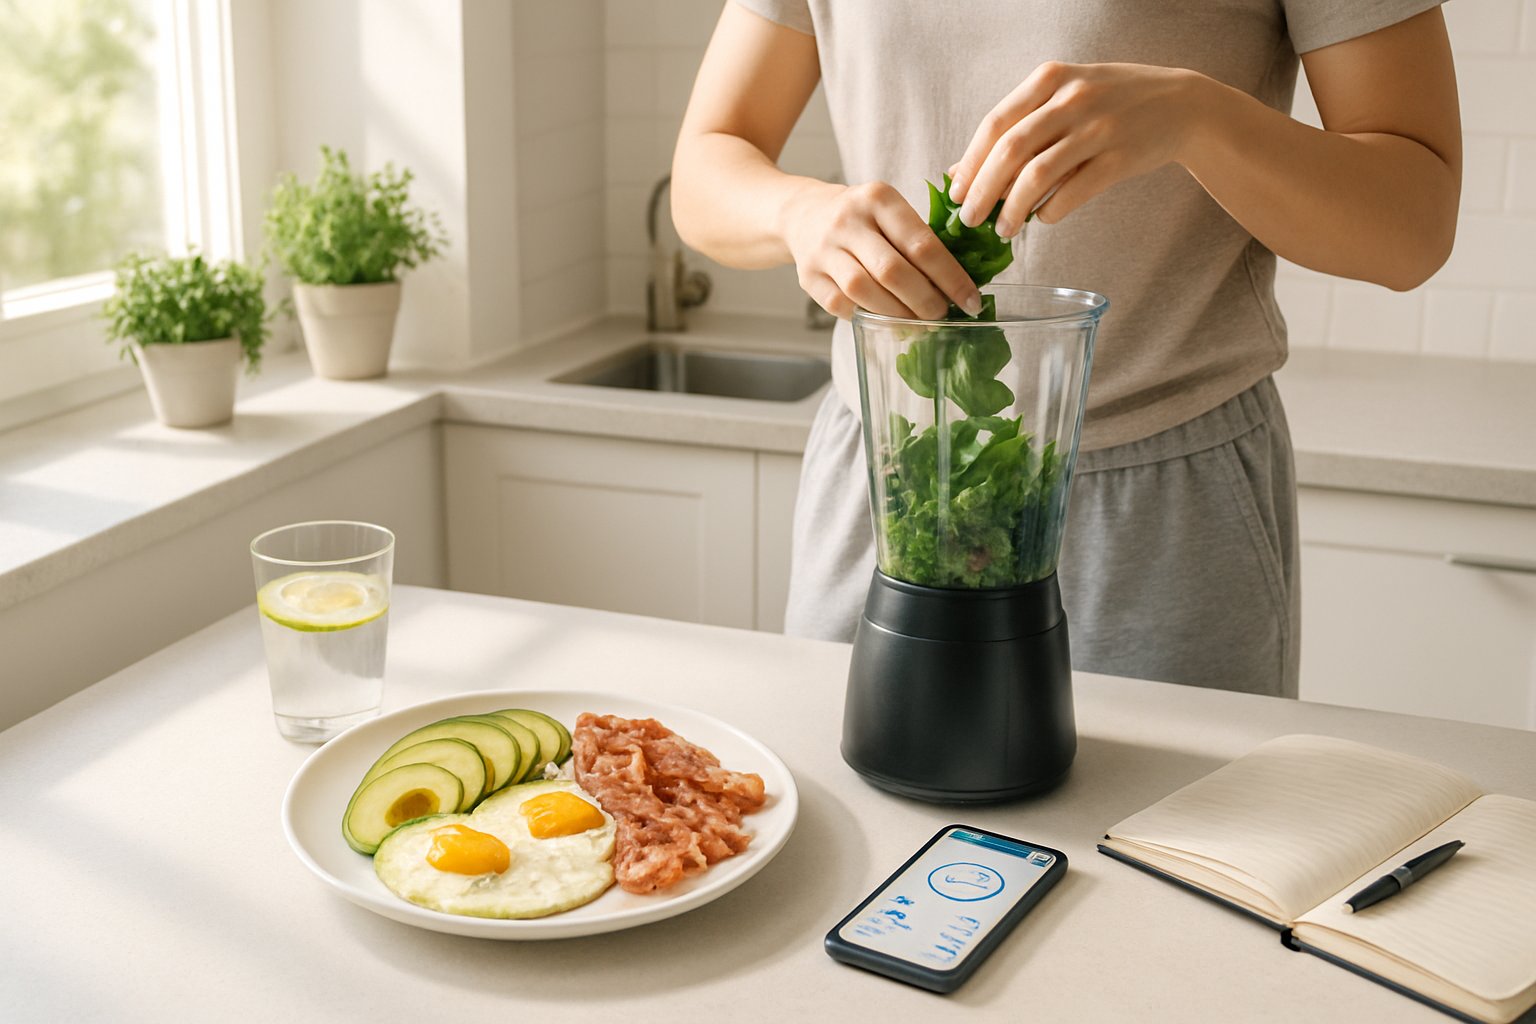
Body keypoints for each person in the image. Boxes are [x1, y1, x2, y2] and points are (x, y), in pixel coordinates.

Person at [670, 1, 1461, 698]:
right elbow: (707, 162)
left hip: (1158, 505)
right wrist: (798, 213)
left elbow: (1414, 226)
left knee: (1166, 849)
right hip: (888, 478)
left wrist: (1198, 118)